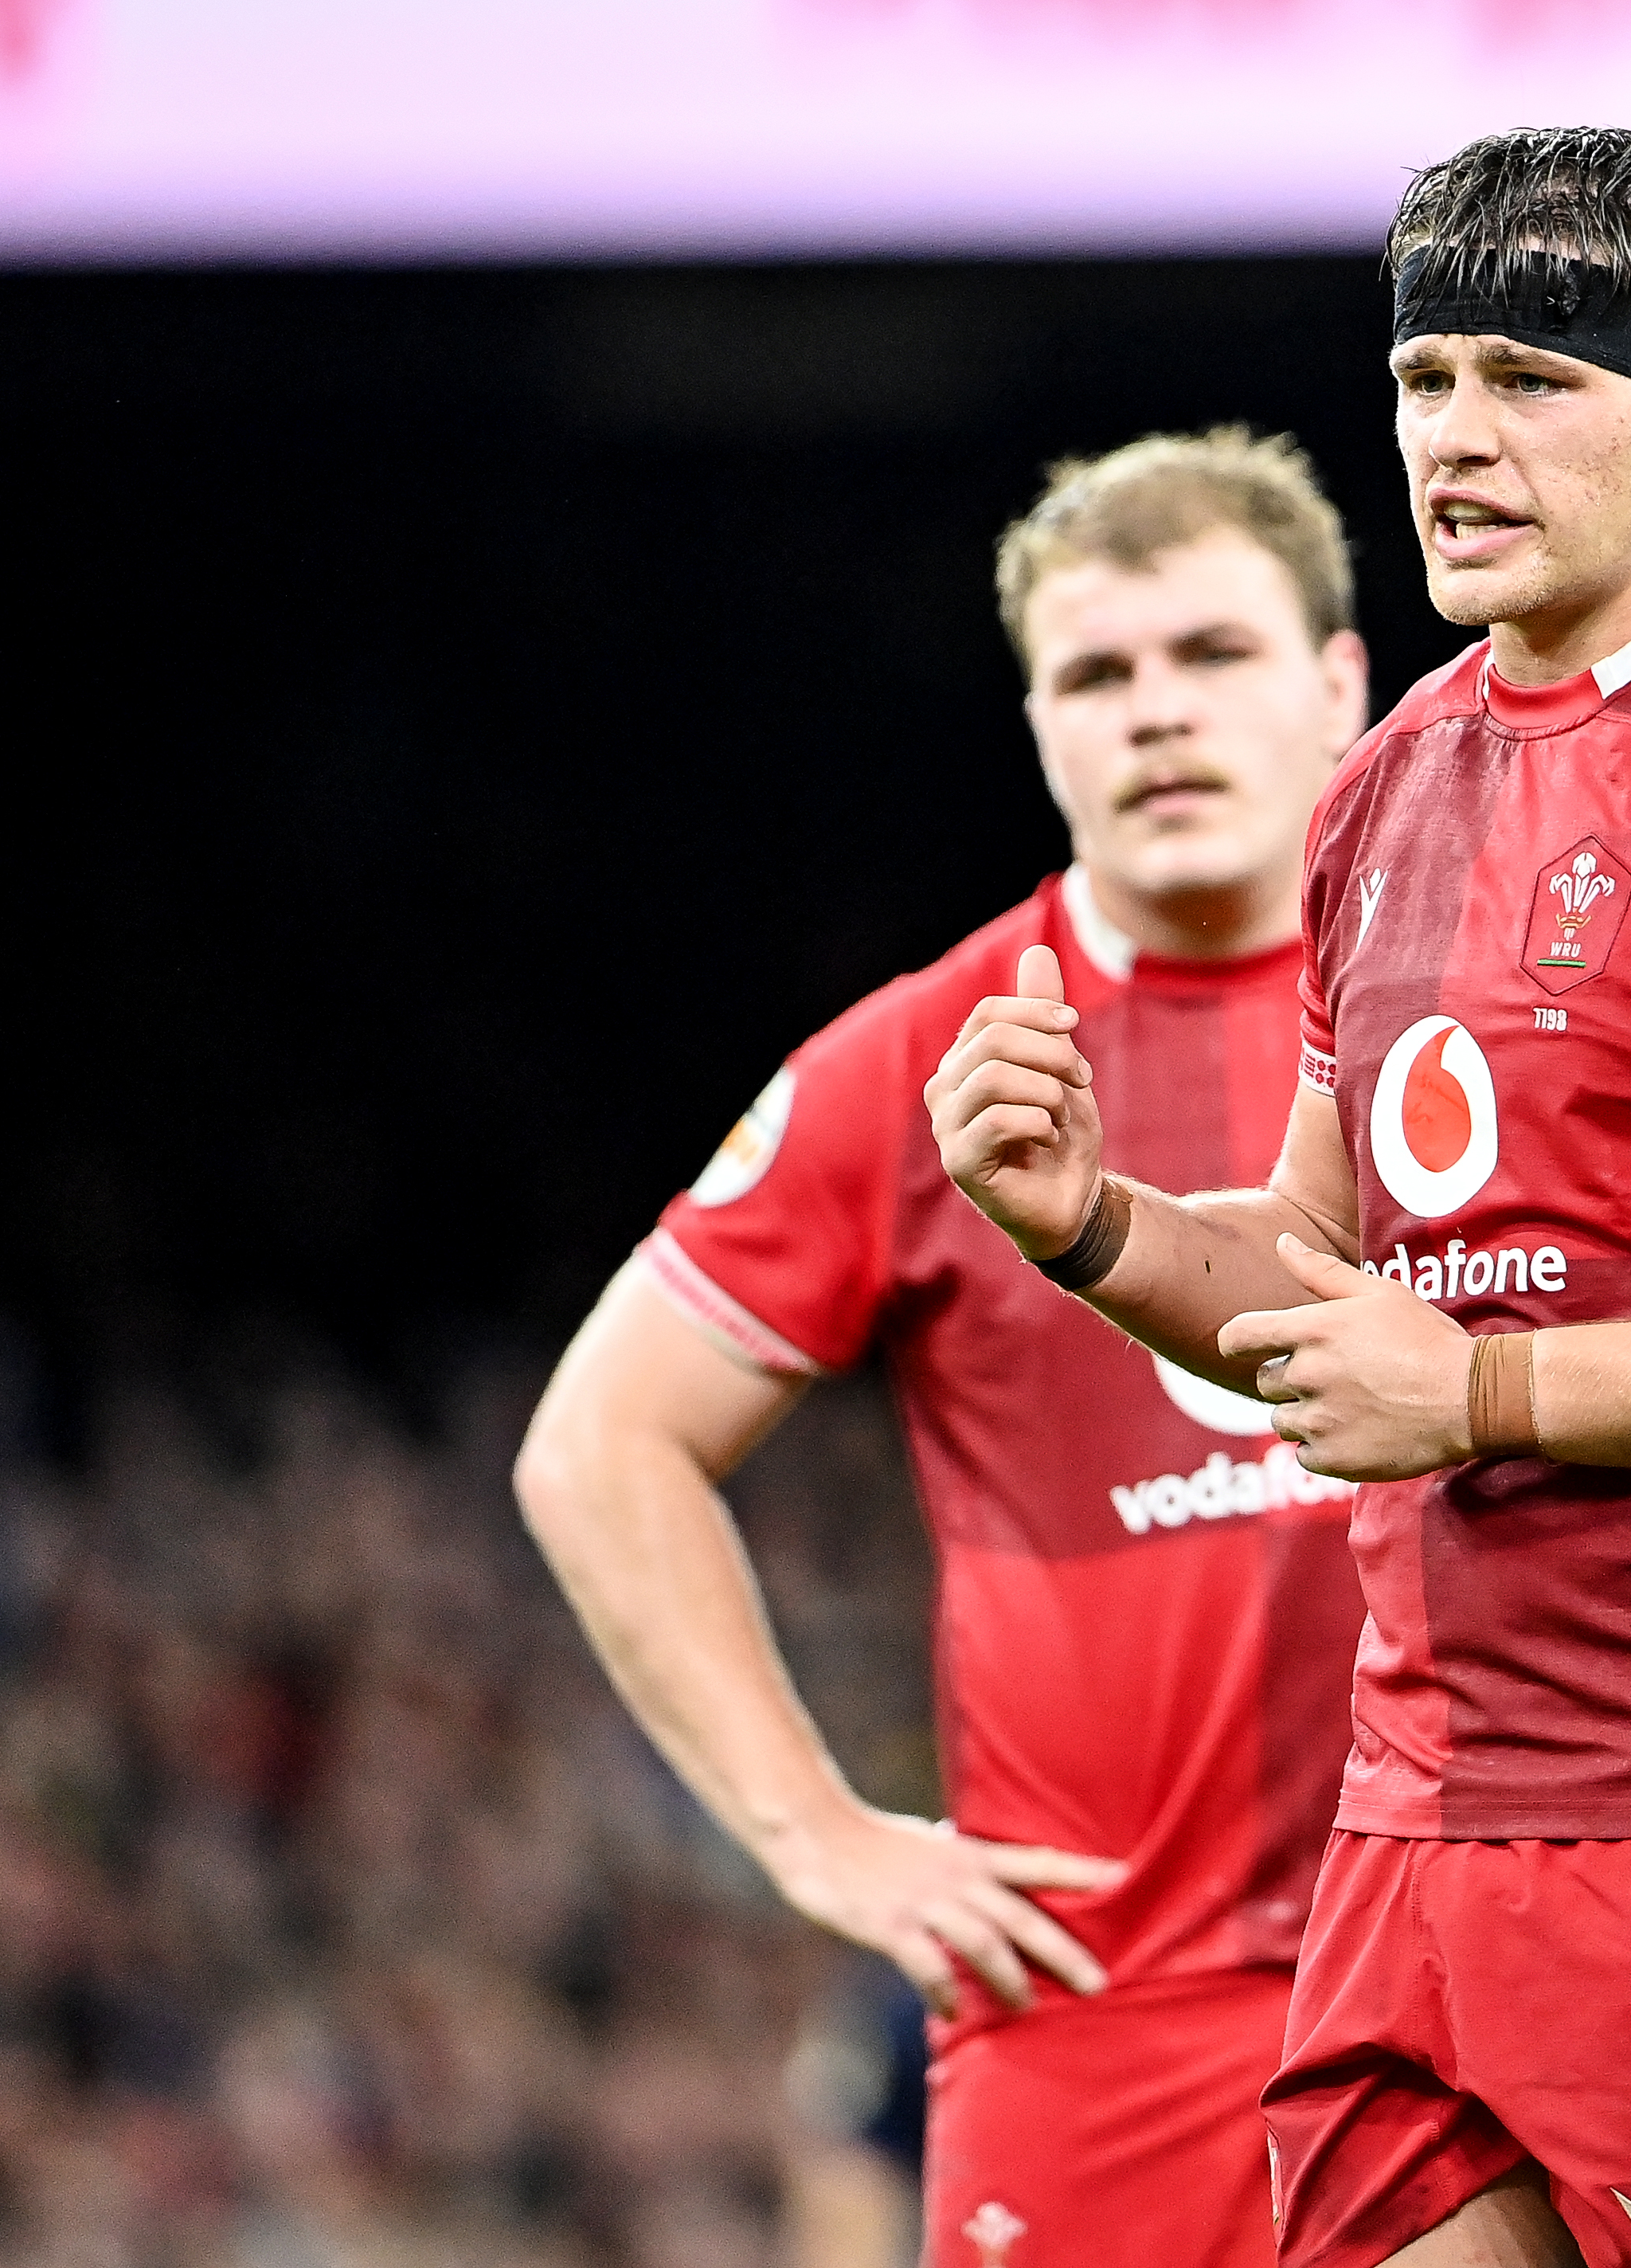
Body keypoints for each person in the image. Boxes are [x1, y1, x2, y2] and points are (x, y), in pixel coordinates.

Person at [926, 130, 1631, 2268]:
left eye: (1534, 381)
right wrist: (1092, 1221)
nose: (1457, 437)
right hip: (1423, 1810)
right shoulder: (1388, 789)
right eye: (1426, 380)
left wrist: (1483, 1396)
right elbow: (1325, 1275)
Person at [514, 427, 1374, 2268]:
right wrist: (814, 1832)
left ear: (1339, 683)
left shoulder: (1493, 1013)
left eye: (1213, 652)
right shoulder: (935, 1058)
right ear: (1040, 723)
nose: (1157, 711)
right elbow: (597, 1444)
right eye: (1098, 673)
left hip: (1481, 1976)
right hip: (1103, 2023)